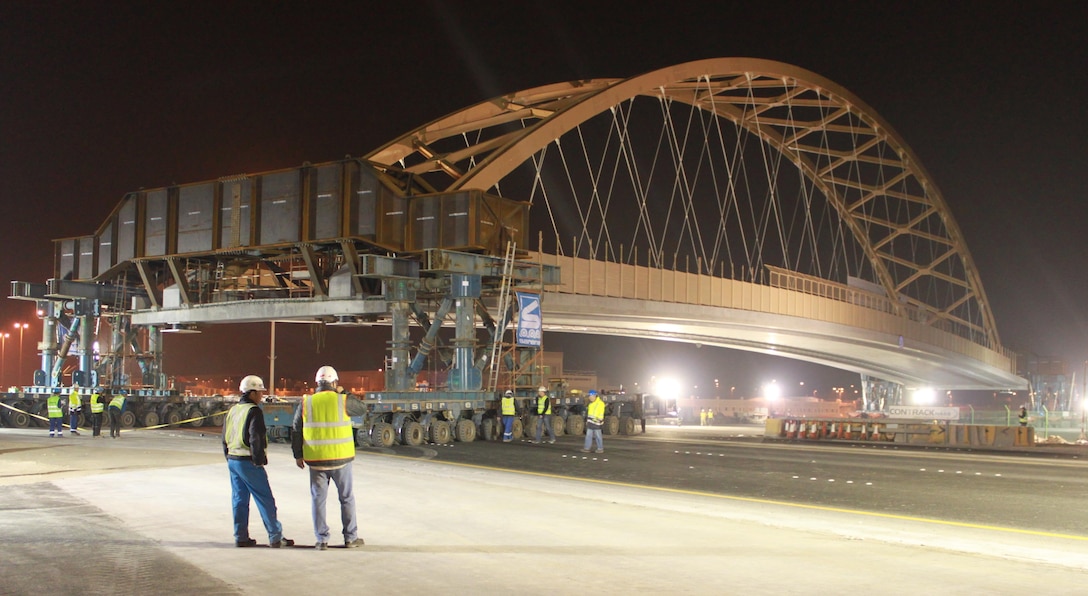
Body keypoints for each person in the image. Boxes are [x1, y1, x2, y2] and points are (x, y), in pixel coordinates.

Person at [292, 365, 366, 551]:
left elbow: (296, 430)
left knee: (318, 500)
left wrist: (298, 455)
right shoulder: (342, 400)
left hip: (316, 461)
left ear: (317, 383)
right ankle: (350, 538)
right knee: (346, 498)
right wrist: (345, 392)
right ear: (334, 382)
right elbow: (362, 408)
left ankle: (322, 539)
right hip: (341, 460)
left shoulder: (306, 402)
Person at [224, 375, 294, 548]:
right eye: (260, 392)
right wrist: (259, 460)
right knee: (265, 499)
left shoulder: (233, 410)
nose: (261, 396)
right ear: (252, 393)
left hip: (233, 460)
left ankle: (240, 537)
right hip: (248, 461)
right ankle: (275, 536)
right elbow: (256, 437)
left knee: (239, 500)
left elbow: (224, 437)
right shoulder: (254, 411)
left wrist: (228, 456)